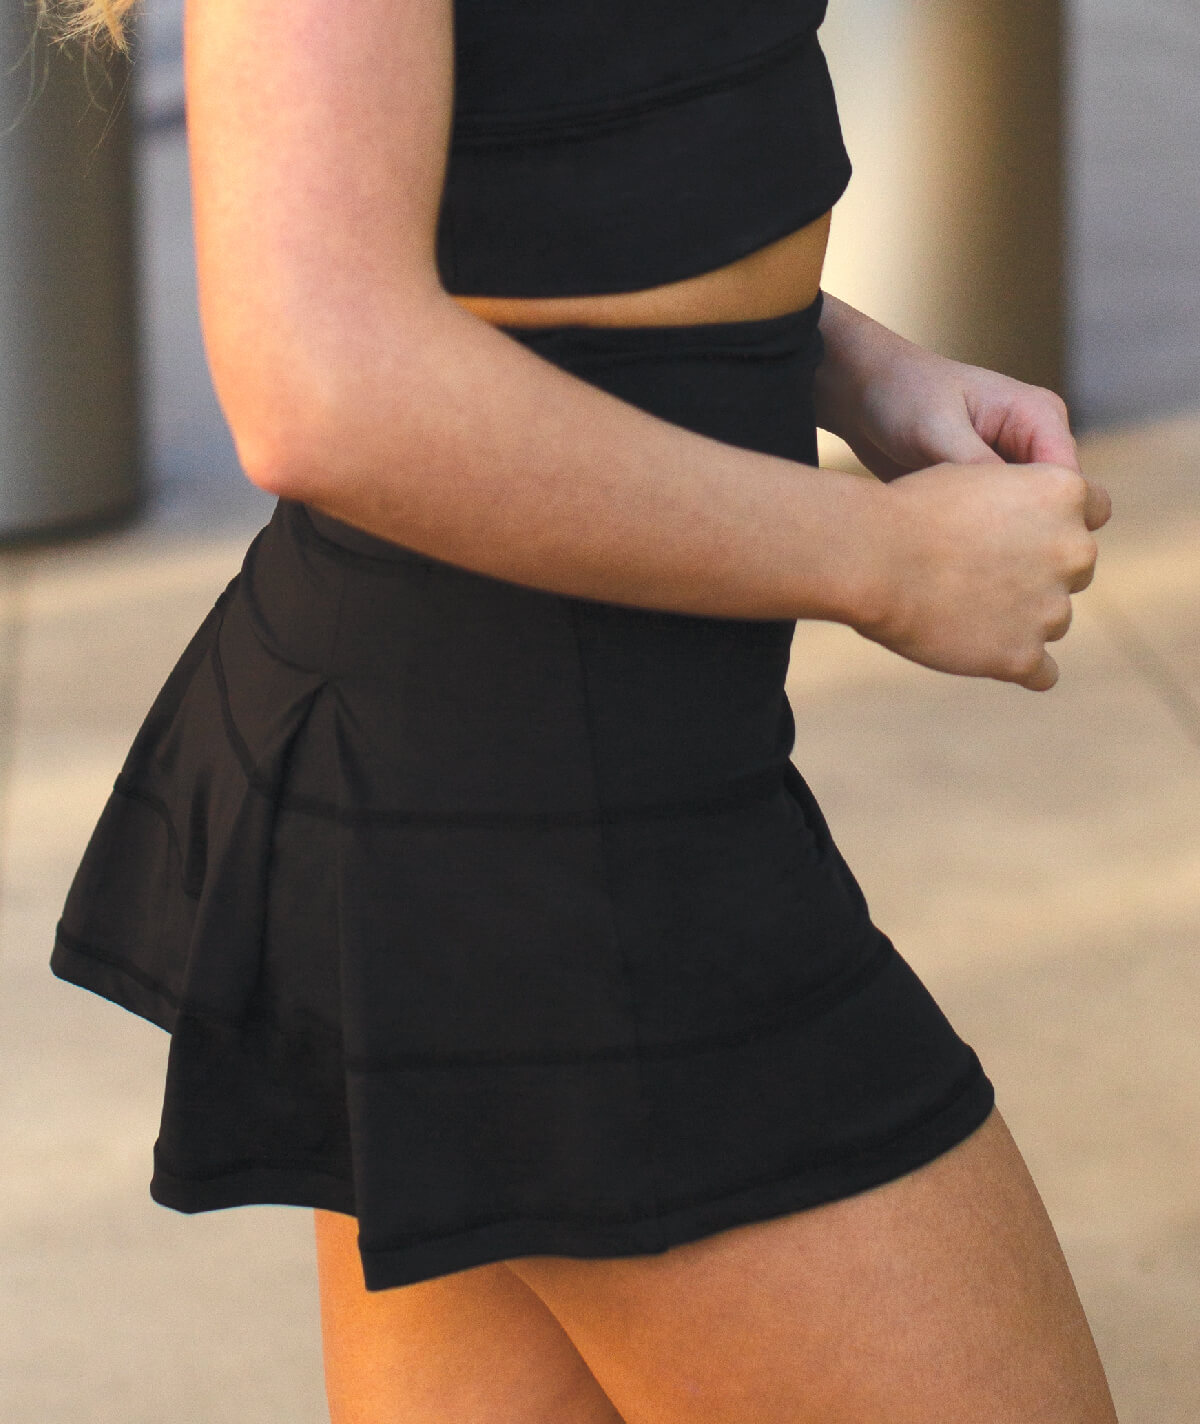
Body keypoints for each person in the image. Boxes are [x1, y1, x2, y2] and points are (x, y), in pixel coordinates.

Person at [41, 0, 1119, 1419]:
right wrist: (887, 562)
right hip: (528, 813)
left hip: (533, 789)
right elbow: (321, 381)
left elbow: (565, 134)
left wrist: (844, 365)